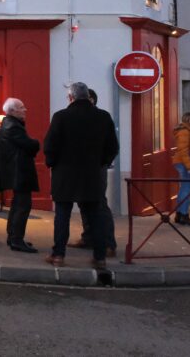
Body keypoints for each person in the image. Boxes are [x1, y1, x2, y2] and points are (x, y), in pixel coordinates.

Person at [43, 82, 119, 269]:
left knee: (62, 215)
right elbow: (112, 147)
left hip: (65, 174)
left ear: (71, 97)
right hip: (91, 174)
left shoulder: (61, 116)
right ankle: (100, 257)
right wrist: (101, 162)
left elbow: (50, 146)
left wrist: (52, 164)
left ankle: (58, 255)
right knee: (96, 215)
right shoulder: (103, 117)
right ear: (88, 96)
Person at [67, 89, 118, 255]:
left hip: (96, 168)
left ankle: (109, 243)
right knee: (83, 202)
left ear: (92, 100)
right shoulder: (73, 116)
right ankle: (88, 237)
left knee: (99, 204)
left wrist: (103, 162)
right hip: (79, 168)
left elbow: (112, 146)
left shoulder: (102, 117)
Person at [0, 98, 40, 254]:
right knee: (23, 206)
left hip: (17, 171)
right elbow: (29, 144)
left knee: (17, 205)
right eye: (22, 107)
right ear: (12, 111)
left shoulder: (10, 124)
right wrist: (35, 143)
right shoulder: (13, 126)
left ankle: (13, 237)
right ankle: (16, 239)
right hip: (19, 172)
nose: (25, 110)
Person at [171, 111, 190, 226]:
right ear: (186, 121)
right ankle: (184, 215)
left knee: (184, 189)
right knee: (186, 190)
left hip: (183, 162)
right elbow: (183, 150)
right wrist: (189, 166)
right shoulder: (185, 132)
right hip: (183, 163)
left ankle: (180, 215)